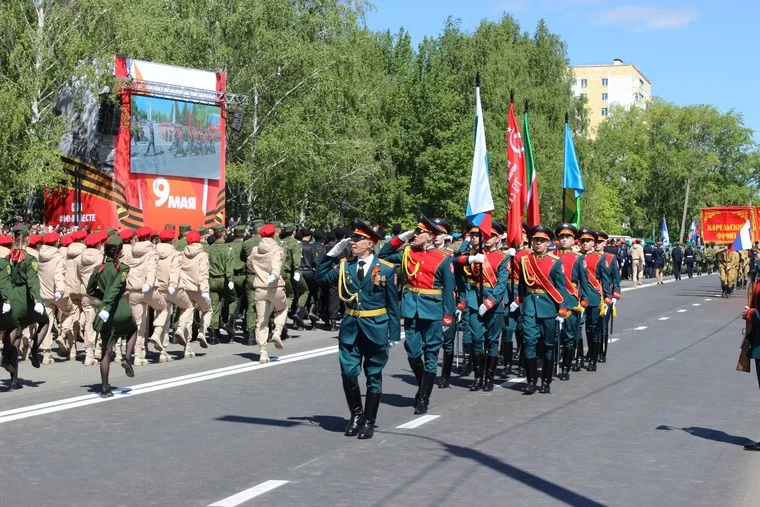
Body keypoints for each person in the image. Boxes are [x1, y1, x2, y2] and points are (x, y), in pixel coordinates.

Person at [316, 219, 400, 439]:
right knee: (349, 373)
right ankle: (355, 415)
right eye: (352, 238)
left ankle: (369, 421)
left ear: (370, 244)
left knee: (373, 375)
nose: (352, 242)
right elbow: (320, 277)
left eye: (357, 239)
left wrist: (393, 334)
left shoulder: (387, 270)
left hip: (376, 328)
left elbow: (393, 304)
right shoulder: (345, 266)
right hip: (351, 328)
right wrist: (330, 255)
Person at [379, 215, 454, 414]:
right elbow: (384, 254)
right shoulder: (407, 253)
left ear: (430, 236)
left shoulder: (444, 259)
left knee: (430, 354)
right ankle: (423, 385)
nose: (416, 234)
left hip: (433, 310)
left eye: (419, 232)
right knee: (412, 352)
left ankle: (423, 397)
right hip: (411, 308)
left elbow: (448, 290)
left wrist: (448, 316)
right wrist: (401, 238)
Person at [454, 221, 509, 392]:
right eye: (486, 235)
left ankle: (489, 378)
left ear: (498, 237)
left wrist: (489, 302)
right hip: (474, 301)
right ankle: (478, 377)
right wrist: (471, 257)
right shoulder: (473, 253)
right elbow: (455, 261)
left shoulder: (503, 257)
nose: (487, 238)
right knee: (477, 340)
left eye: (491, 236)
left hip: (494, 303)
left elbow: (501, 284)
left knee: (492, 341)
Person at [517, 225, 572, 394]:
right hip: (530, 306)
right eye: (535, 240)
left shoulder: (555, 262)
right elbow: (521, 285)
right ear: (531, 241)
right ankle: (531, 381)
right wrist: (520, 303)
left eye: (542, 240)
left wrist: (562, 309)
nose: (538, 243)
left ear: (548, 243)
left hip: (548, 307)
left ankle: (546, 380)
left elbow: (561, 288)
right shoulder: (525, 260)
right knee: (529, 342)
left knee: (548, 345)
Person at [86, 235, 136, 398]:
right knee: (133, 330)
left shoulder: (97, 269)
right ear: (120, 251)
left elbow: (90, 290)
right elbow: (116, 289)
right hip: (118, 307)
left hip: (104, 311)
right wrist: (108, 299)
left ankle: (105, 388)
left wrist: (102, 297)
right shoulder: (123, 268)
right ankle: (127, 357)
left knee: (105, 351)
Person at [5, 224, 50, 388]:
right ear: (26, 238)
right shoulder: (29, 259)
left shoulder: (8, 257)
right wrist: (37, 300)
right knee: (45, 321)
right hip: (25, 298)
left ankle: (14, 380)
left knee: (15, 335)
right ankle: (34, 349)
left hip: (11, 297)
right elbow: (32, 283)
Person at [553, 224, 590, 381]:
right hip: (553, 300)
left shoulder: (578, 258)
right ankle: (552, 362)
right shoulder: (551, 255)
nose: (564, 239)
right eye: (561, 237)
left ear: (573, 240)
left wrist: (584, 301)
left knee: (569, 336)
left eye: (567, 237)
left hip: (570, 300)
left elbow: (584, 281)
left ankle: (566, 367)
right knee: (552, 335)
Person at [247, 223, 287, 363]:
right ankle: (277, 332)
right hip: (275, 286)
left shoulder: (255, 250)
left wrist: (259, 272)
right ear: (274, 234)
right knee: (282, 309)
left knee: (261, 321)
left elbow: (250, 265)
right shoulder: (277, 249)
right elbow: (277, 266)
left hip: (260, 287)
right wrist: (274, 275)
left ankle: (263, 352)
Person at [175, 230, 212, 357]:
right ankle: (202, 332)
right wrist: (205, 289)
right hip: (199, 289)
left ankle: (185, 342)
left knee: (187, 312)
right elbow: (203, 273)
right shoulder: (203, 255)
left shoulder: (182, 254)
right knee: (207, 310)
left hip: (185, 288)